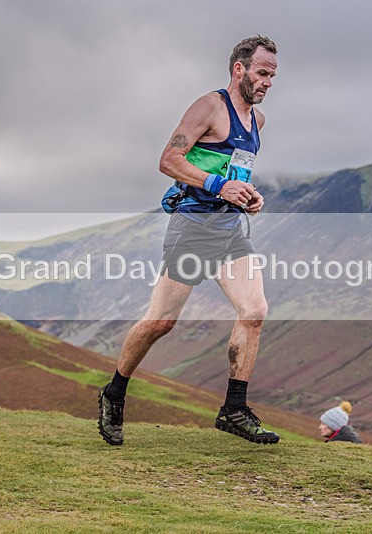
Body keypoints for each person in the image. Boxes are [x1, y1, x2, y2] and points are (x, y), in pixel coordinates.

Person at [98, 36, 279, 446]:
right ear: (239, 69)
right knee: (162, 321)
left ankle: (234, 408)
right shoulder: (209, 107)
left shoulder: (258, 122)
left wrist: (248, 196)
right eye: (262, 73)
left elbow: (236, 173)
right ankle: (114, 393)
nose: (268, 82)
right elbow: (169, 161)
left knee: (254, 311)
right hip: (192, 228)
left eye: (273, 76)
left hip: (229, 231)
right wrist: (219, 185)